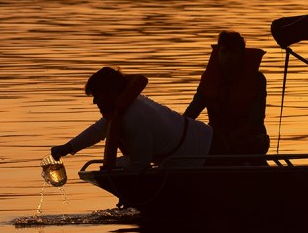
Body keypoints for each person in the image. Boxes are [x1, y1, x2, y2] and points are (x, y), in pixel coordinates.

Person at [51, 66, 212, 169]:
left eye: (97, 96)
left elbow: (140, 163)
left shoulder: (134, 117)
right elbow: (98, 131)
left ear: (110, 93)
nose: (94, 102)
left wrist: (114, 166)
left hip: (204, 154)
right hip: (190, 152)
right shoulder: (125, 106)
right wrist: (67, 148)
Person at [182, 30, 270, 157]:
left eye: (234, 53)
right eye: (224, 52)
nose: (228, 57)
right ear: (218, 54)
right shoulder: (210, 80)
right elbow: (191, 113)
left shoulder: (257, 79)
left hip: (251, 139)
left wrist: (228, 138)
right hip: (217, 139)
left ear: (241, 55)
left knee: (234, 146)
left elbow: (255, 121)